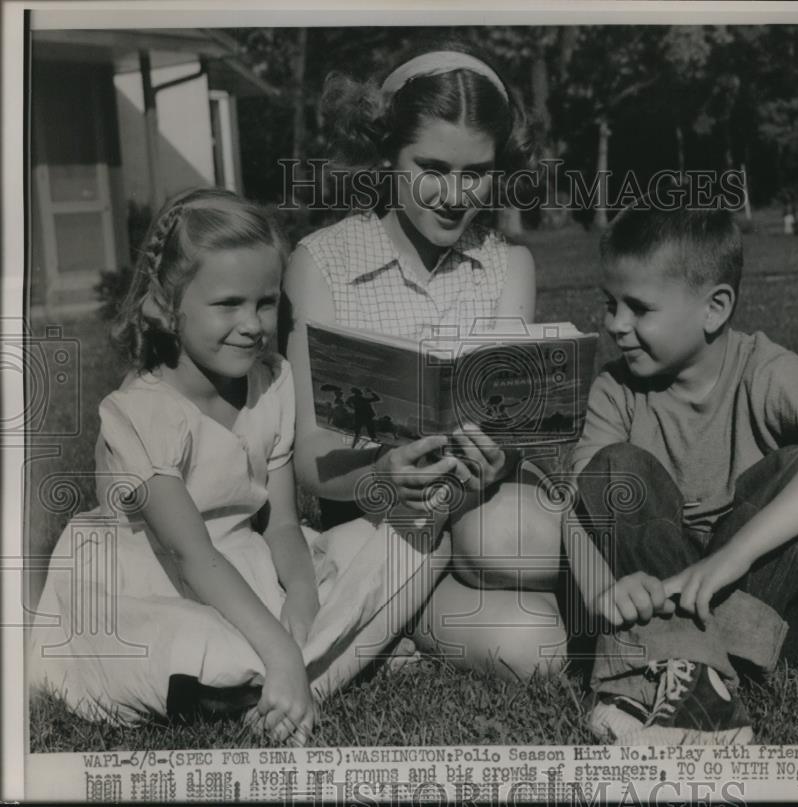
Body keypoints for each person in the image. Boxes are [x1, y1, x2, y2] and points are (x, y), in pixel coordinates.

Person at [29, 189, 448, 743]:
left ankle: (277, 683)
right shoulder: (140, 412)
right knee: (204, 648)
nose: (252, 324)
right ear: (164, 308)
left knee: (423, 536)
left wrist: (301, 594)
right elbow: (192, 556)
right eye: (228, 304)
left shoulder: (270, 384)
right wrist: (280, 644)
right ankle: (301, 669)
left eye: (266, 302)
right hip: (153, 586)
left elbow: (278, 524)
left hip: (246, 568)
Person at [283, 43, 566, 679]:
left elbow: (510, 420)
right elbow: (308, 462)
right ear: (387, 156)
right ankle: (403, 616)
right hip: (375, 527)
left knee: (514, 542)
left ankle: (394, 630)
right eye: (430, 167)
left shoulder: (506, 264)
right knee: (538, 647)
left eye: (477, 173)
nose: (454, 195)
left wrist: (502, 452)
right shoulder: (320, 262)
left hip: (478, 511)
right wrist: (383, 468)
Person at [565, 203, 798, 745]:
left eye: (638, 308)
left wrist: (732, 558)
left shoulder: (764, 368)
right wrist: (601, 594)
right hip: (667, 595)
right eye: (610, 304)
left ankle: (656, 670)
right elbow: (574, 506)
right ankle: (702, 686)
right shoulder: (614, 390)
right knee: (613, 469)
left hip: (763, 603)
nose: (616, 325)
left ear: (714, 309)